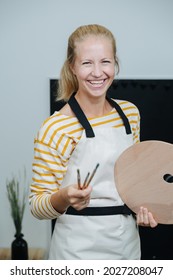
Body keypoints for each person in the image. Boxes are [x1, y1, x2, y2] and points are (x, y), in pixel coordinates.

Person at [29, 24, 157, 260]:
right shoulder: (55, 127)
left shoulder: (130, 114)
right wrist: (65, 197)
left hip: (126, 247)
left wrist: (147, 207)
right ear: (72, 67)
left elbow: (135, 182)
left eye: (105, 61)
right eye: (87, 63)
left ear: (115, 63)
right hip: (75, 253)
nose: (98, 72)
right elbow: (37, 206)